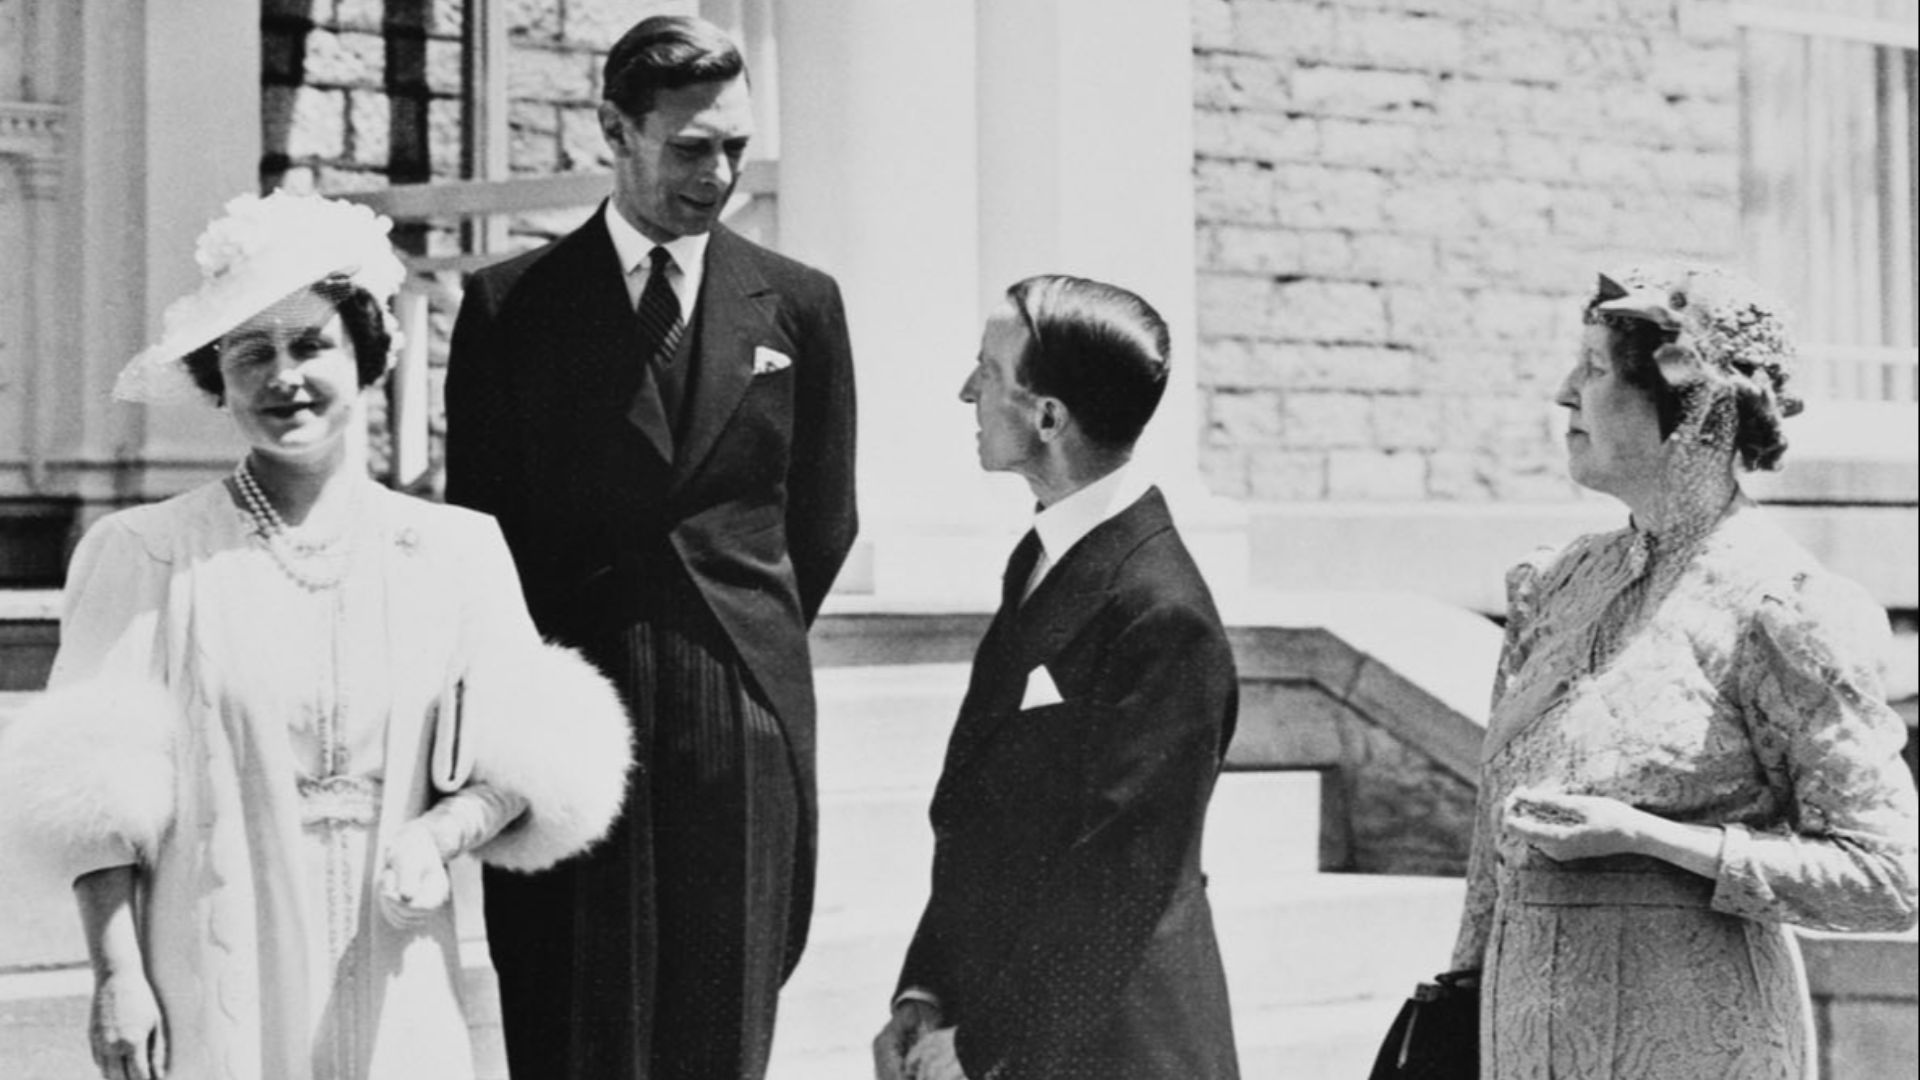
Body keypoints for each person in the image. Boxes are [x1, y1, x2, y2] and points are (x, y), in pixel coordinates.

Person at [0, 191, 632, 1080]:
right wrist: (117, 977)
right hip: (211, 967)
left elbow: (533, 766)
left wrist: (440, 835)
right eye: (249, 353)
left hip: (396, 962)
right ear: (217, 380)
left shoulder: (456, 551)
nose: (282, 377)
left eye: (310, 345)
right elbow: (94, 810)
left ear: (366, 358)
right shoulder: (145, 552)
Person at [442, 14, 858, 1080]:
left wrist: (738, 642)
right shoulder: (510, 308)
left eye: (734, 147)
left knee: (719, 1030)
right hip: (574, 706)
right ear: (614, 132)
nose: (717, 175)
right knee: (572, 1022)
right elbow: (484, 534)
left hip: (741, 709)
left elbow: (822, 516)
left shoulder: (800, 306)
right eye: (688, 148)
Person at [1447, 264, 1919, 1079]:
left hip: (1698, 1043)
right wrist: (1457, 996)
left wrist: (1654, 839)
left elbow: (1886, 878)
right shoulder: (1553, 586)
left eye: (1595, 370)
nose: (1566, 394)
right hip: (1523, 1045)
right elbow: (1493, 841)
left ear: (1693, 412)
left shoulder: (1785, 608)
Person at [872, 275, 1241, 1080]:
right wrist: (927, 989)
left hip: (1113, 1050)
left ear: (1048, 417)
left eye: (988, 372)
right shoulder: (1044, 556)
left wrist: (980, 1046)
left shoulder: (1162, 612)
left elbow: (1120, 879)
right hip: (1011, 1027)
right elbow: (985, 820)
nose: (967, 390)